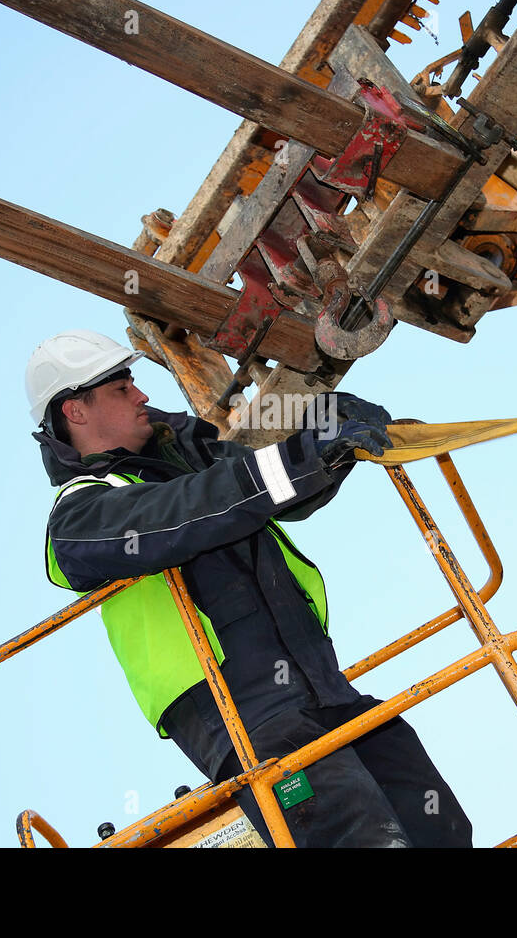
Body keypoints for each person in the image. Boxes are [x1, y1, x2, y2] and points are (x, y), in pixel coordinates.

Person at [27, 329, 472, 847]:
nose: (143, 395)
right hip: (243, 716)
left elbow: (273, 488)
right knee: (360, 838)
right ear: (76, 412)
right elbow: (191, 510)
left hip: (322, 687)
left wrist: (328, 431)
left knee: (442, 829)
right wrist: (301, 457)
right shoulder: (82, 512)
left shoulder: (188, 462)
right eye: (122, 387)